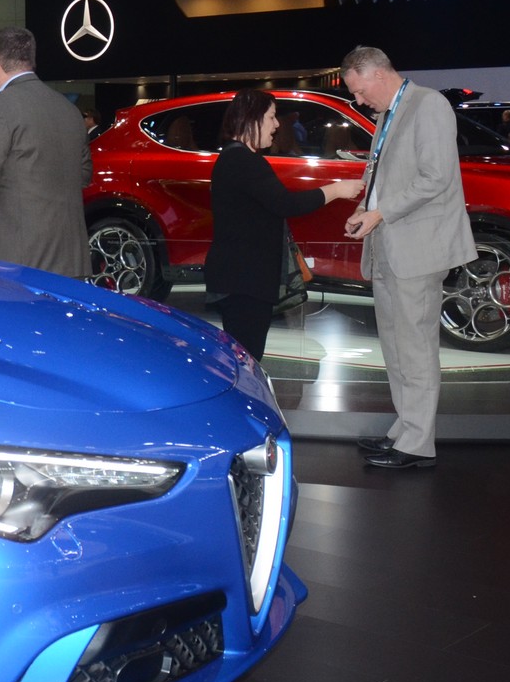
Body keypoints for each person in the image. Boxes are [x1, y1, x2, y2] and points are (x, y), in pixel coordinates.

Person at [340, 46, 476, 470]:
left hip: (419, 247)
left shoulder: (429, 105)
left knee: (415, 349)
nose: (360, 101)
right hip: (389, 243)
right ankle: (404, 429)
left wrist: (381, 211)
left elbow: (435, 177)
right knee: (396, 348)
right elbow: (388, 172)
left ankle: (417, 444)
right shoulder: (388, 112)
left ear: (378, 74)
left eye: (360, 91)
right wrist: (367, 208)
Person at [203, 90, 363, 360]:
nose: (277, 125)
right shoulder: (242, 161)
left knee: (245, 358)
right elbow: (287, 204)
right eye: (271, 117)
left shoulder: (238, 159)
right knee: (247, 361)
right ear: (250, 119)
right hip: (244, 282)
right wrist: (336, 190)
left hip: (241, 280)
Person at [0, 26, 91, 277]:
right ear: (31, 59)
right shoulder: (69, 110)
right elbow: (83, 174)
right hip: (70, 259)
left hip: (15, 259)